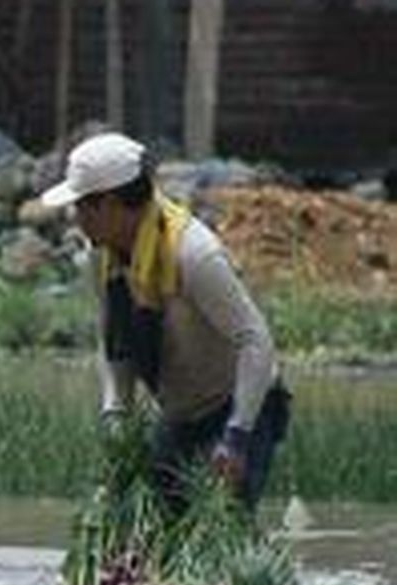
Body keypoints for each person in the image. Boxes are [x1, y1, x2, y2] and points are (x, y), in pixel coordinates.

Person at [40, 132, 290, 510]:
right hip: (179, 410)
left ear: (110, 205)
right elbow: (114, 344)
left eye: (82, 207)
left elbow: (256, 341)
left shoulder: (194, 254)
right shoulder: (101, 256)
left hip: (239, 406)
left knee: (220, 525)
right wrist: (114, 414)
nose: (76, 218)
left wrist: (236, 438)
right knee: (142, 527)